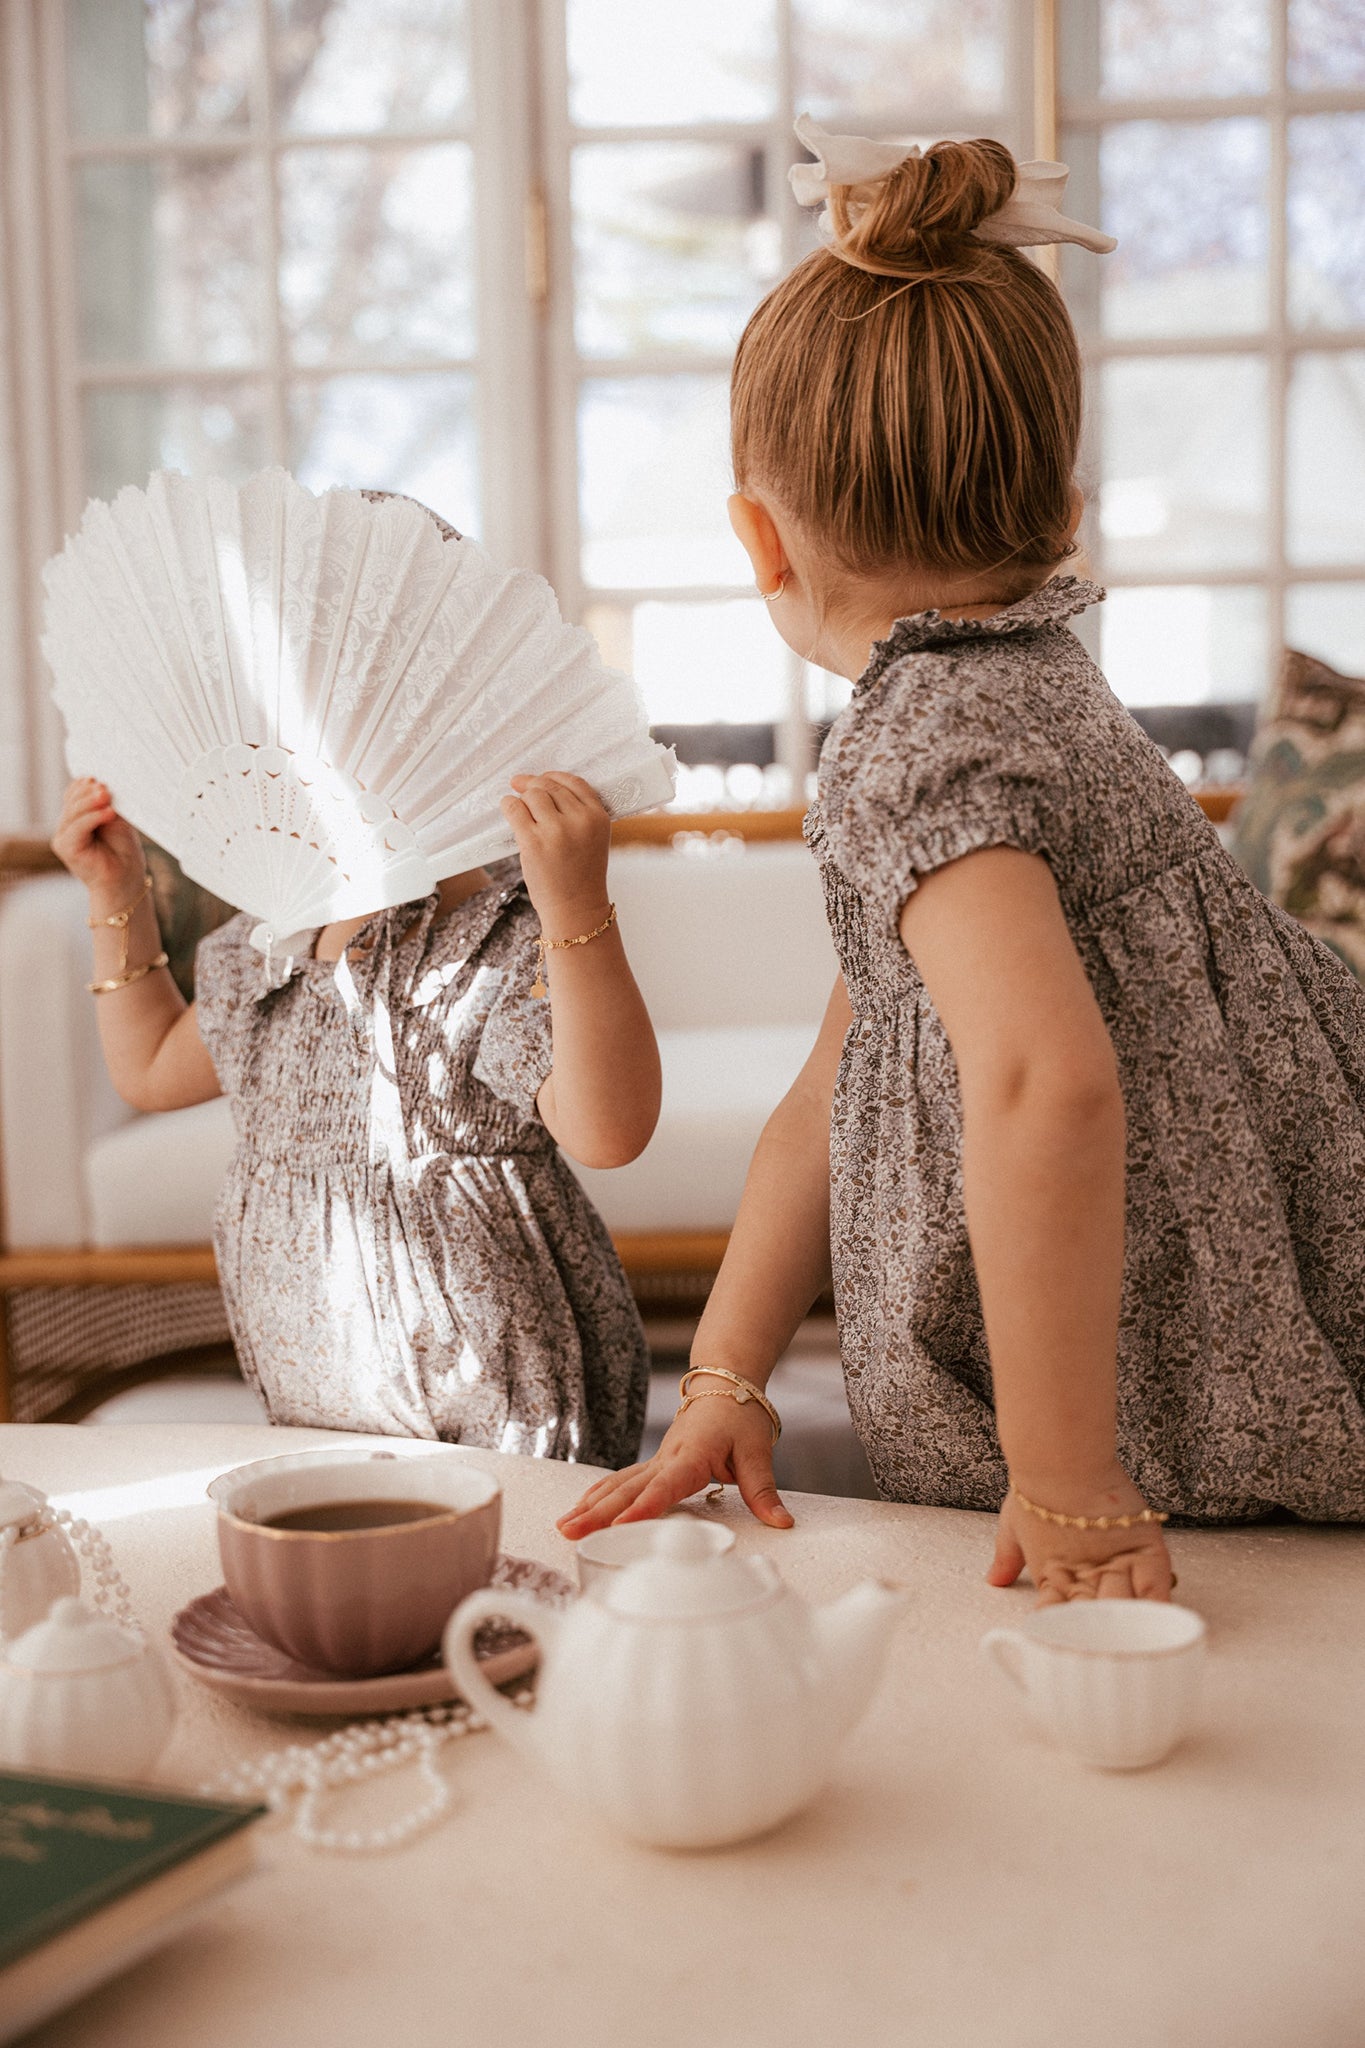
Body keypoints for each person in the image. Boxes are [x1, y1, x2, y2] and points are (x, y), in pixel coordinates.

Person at [560, 123, 1365, 1598]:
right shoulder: (1033, 675)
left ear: (760, 539)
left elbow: (1041, 1079)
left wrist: (1061, 1477)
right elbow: (837, 1079)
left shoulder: (912, 741)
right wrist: (728, 1374)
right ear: (1059, 516)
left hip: (1170, 1377)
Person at [52, 501, 659, 1465]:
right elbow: (154, 1070)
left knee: (514, 1582)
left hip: (492, 1384)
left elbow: (608, 1127)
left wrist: (576, 909)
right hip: (317, 1378)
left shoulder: (492, 933)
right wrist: (117, 894)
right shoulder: (269, 938)